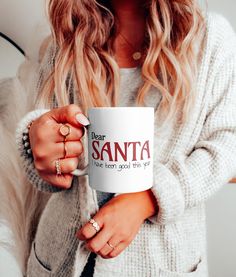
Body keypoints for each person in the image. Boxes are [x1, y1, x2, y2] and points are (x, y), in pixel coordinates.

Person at [13, 0, 236, 276]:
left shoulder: (209, 39)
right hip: (62, 259)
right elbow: (44, 130)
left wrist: (150, 198)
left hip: (163, 264)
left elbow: (228, 142)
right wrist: (35, 143)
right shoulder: (65, 41)